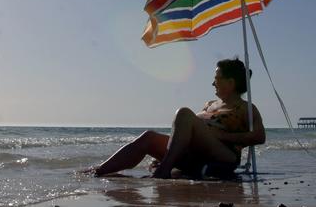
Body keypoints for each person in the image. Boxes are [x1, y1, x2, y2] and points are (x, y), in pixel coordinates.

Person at [86, 58, 266, 179]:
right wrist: (171, 151)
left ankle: (164, 170)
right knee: (148, 137)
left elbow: (259, 136)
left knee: (184, 113)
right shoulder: (210, 104)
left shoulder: (245, 108)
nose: (213, 83)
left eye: (216, 78)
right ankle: (100, 171)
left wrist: (222, 136)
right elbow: (188, 130)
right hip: (193, 154)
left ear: (230, 82)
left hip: (222, 155)